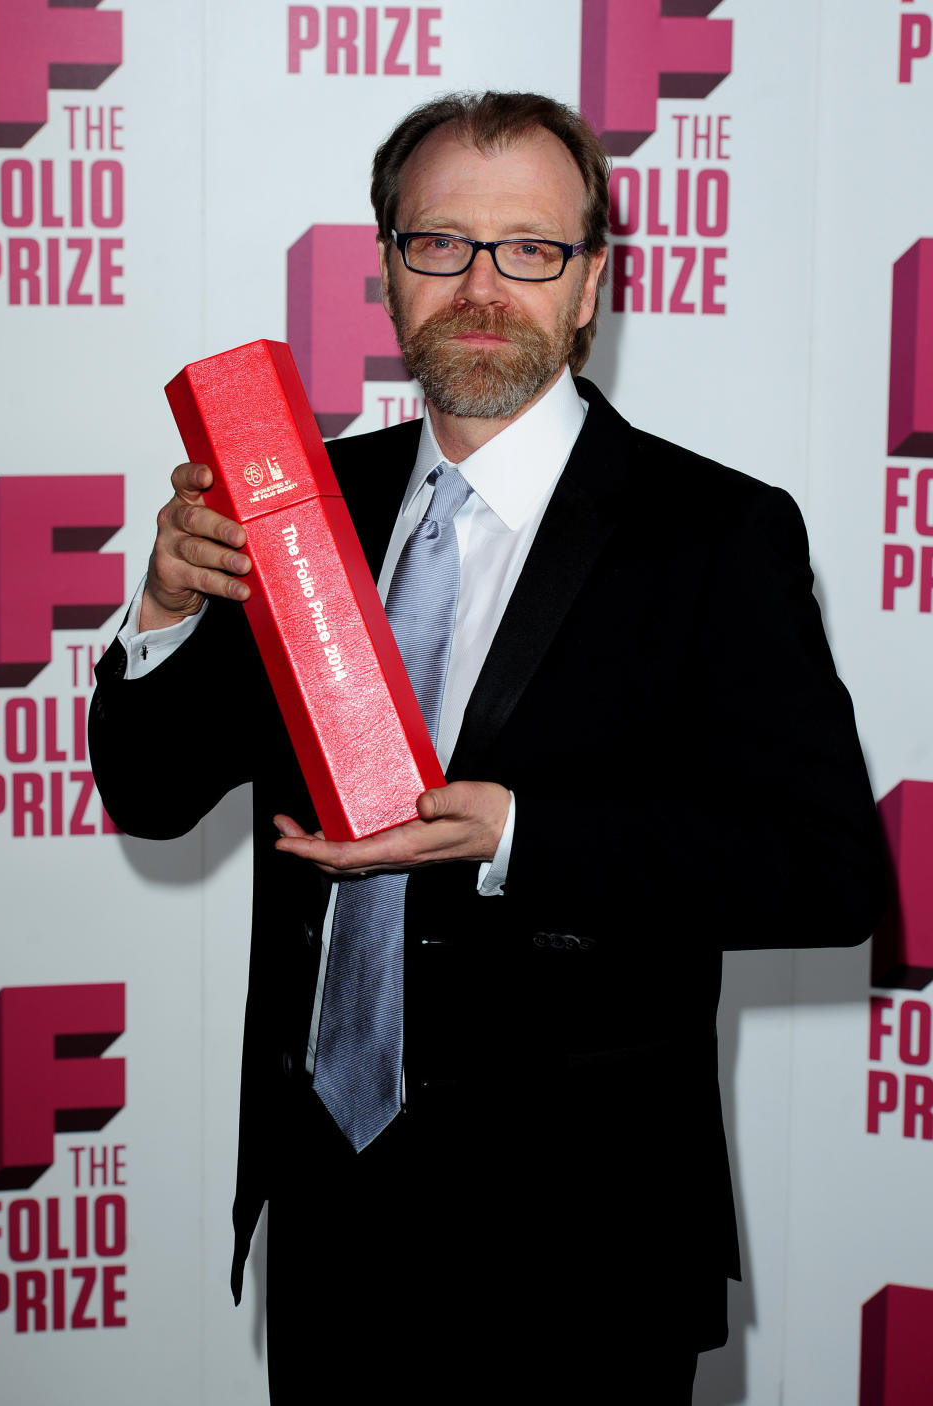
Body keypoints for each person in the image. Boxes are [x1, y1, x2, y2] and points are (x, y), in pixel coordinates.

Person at [89, 91, 884, 1402]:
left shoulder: (715, 532)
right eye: (439, 244)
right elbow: (153, 792)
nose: (479, 285)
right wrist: (165, 607)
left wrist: (520, 834)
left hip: (586, 1247)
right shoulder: (307, 503)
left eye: (530, 249)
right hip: (335, 1212)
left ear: (591, 287)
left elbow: (827, 876)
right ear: (388, 270)